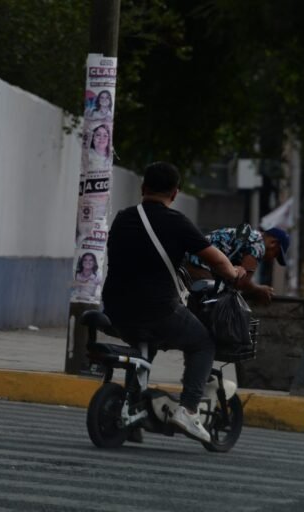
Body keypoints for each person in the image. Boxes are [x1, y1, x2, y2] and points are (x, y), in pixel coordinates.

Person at [102, 161, 247, 443]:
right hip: (157, 309)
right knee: (203, 343)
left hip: (116, 308)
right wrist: (234, 273)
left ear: (143, 188)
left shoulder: (123, 217)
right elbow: (215, 258)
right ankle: (189, 410)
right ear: (175, 193)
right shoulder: (177, 222)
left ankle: (133, 411)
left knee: (145, 347)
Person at [184, 224, 289, 305]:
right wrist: (259, 289)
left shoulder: (252, 236)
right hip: (198, 265)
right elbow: (241, 282)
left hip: (189, 259)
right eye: (275, 254)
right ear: (273, 243)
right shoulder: (258, 246)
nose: (272, 259)